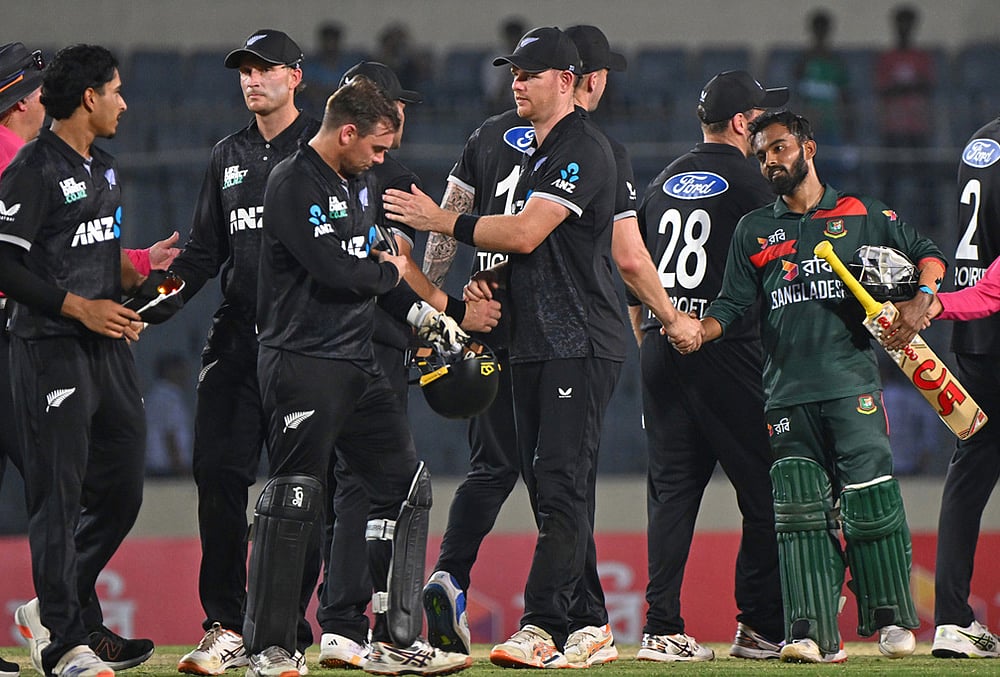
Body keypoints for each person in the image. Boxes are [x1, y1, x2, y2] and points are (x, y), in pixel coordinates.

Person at [384, 26, 625, 669]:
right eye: (513, 73)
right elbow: (521, 253)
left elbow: (523, 233)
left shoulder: (583, 148)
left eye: (532, 73)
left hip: (579, 340)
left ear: (567, 82)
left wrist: (442, 226)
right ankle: (588, 622)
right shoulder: (532, 148)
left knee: (558, 479)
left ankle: (543, 623)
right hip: (527, 341)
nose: (516, 82)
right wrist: (463, 293)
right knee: (552, 484)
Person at [693, 109, 944, 663]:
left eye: (779, 149)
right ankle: (809, 631)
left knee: (871, 500)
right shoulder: (754, 229)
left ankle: (893, 623)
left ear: (809, 146)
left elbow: (928, 253)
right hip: (785, 393)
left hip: (851, 384)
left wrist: (920, 301)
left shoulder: (861, 214)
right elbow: (734, 304)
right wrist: (701, 330)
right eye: (761, 155)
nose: (770, 162)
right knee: (800, 512)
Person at [245, 76, 471, 677]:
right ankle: (269, 647)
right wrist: (382, 277)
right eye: (375, 147)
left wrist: (426, 318)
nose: (381, 159)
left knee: (406, 487)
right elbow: (336, 271)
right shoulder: (292, 182)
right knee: (296, 495)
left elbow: (381, 268)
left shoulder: (361, 182)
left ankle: (394, 642)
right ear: (347, 132)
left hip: (359, 365)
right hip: (302, 360)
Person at [314, 60, 499, 670]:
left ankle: (347, 623)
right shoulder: (386, 177)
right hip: (368, 349)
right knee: (378, 490)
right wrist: (437, 319)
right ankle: (367, 624)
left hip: (327, 346)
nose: (404, 119)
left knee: (347, 488)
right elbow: (395, 275)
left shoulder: (321, 170)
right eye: (397, 109)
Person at [0, 44, 159, 677]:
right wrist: (79, 308)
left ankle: (51, 604)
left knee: (122, 487)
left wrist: (127, 301)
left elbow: (98, 255)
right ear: (89, 98)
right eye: (116, 90)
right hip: (49, 349)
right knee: (57, 498)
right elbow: (5, 262)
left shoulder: (108, 167)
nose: (124, 102)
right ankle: (66, 643)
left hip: (107, 349)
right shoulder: (31, 170)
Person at [168, 29, 320, 676]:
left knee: (301, 492)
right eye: (244, 72)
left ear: (295, 77)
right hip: (235, 338)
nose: (251, 80)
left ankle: (282, 630)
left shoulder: (320, 151)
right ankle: (226, 625)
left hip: (304, 344)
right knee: (218, 475)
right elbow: (204, 254)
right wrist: (149, 304)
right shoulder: (225, 154)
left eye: (265, 70)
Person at [629, 69, 788, 663]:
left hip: (660, 343)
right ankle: (759, 627)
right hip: (728, 350)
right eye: (761, 121)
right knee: (764, 490)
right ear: (743, 124)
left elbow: (631, 268)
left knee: (671, 493)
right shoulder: (754, 180)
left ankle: (662, 627)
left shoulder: (664, 180)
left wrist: (655, 335)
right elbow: (784, 267)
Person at [923, 116, 1000, 659]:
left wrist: (947, 304)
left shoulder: (980, 141)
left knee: (968, 475)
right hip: (982, 311)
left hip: (975, 344)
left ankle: (951, 620)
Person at [874, 5, 936, 221]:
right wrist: (907, 87)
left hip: (917, 124)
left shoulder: (921, 57)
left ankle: (931, 223)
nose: (904, 29)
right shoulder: (887, 58)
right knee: (890, 177)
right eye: (901, 24)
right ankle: (884, 219)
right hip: (893, 125)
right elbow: (882, 89)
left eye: (908, 24)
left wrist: (902, 88)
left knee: (924, 176)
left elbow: (928, 87)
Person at [144, 352, 194, 477]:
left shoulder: (156, 395)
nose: (185, 374)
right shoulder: (168, 396)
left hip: (157, 465)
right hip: (167, 467)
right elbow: (170, 433)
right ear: (169, 371)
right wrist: (179, 465)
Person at [481, 16, 527, 115]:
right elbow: (494, 95)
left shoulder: (531, 58)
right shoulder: (495, 59)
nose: (514, 41)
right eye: (511, 37)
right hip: (501, 106)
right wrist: (509, 67)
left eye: (517, 37)